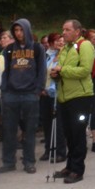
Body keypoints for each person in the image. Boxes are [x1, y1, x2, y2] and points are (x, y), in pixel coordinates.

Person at [0, 19, 45, 175]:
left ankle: (29, 161)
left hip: (30, 94)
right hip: (11, 94)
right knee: (9, 130)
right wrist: (4, 90)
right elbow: (4, 71)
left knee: (29, 131)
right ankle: (9, 162)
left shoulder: (37, 48)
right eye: (16, 30)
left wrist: (38, 90)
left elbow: (42, 70)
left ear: (27, 30)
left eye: (21, 30)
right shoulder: (9, 49)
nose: (18, 33)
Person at [50, 19, 94, 184]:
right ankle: (70, 166)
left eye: (67, 29)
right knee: (69, 133)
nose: (64, 32)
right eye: (63, 29)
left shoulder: (85, 45)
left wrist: (62, 70)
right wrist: (56, 74)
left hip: (80, 96)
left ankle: (77, 169)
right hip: (65, 96)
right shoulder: (65, 48)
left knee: (78, 133)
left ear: (77, 31)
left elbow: (85, 70)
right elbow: (61, 70)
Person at [39, 33, 65, 163]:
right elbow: (41, 72)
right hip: (45, 93)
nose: (59, 43)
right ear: (50, 43)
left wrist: (60, 53)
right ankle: (49, 149)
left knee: (58, 124)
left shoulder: (64, 55)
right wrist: (40, 88)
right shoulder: (46, 55)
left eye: (61, 40)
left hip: (58, 93)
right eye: (56, 41)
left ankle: (60, 151)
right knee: (47, 123)